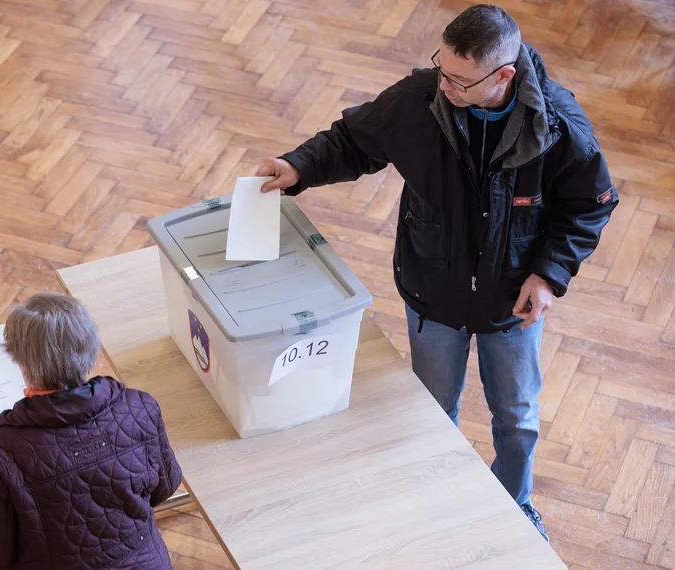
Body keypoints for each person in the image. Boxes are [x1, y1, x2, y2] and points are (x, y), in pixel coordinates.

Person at [258, 4, 618, 542]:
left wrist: (548, 275)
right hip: (433, 293)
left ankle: (516, 505)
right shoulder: (420, 99)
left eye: (458, 79)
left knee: (517, 420)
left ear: (503, 77)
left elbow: (590, 203)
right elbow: (353, 140)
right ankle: (436, 502)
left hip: (511, 304)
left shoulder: (559, 125)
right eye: (441, 67)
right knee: (430, 412)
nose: (443, 85)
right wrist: (301, 166)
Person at [0, 292, 182, 569]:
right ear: (91, 352)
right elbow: (164, 487)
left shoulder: (1, 451)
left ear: (22, 365)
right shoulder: (140, 408)